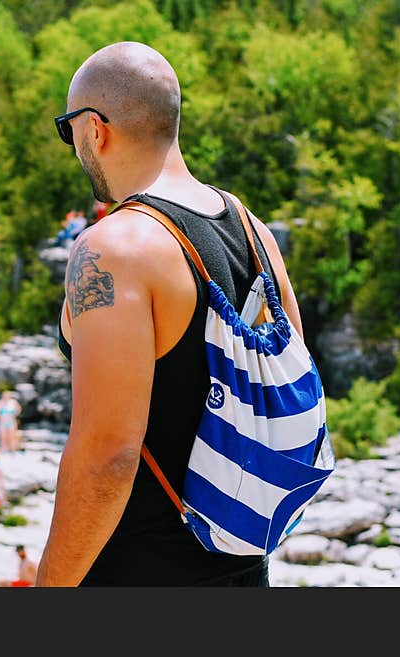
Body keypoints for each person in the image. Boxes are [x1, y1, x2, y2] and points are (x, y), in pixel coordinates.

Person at [37, 42, 304, 587]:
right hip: (244, 570)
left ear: (94, 129)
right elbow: (290, 390)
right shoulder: (254, 231)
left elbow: (108, 457)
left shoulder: (114, 247)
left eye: (69, 131)